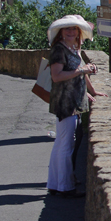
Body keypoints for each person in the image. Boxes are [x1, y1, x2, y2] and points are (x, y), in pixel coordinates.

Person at [40, 14, 95, 197]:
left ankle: (55, 184)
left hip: (71, 101)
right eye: (67, 28)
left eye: (74, 28)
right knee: (66, 146)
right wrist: (81, 70)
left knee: (61, 144)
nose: (71, 31)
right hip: (66, 102)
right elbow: (57, 76)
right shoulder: (59, 49)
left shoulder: (72, 47)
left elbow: (78, 73)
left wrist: (91, 90)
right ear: (61, 32)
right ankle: (65, 187)